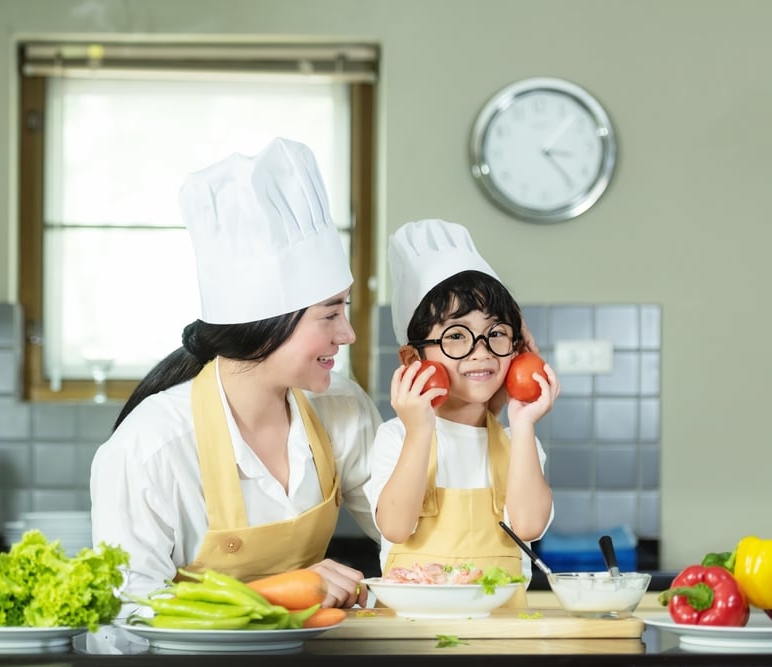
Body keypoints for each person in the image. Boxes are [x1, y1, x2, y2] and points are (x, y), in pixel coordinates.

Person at [90, 138, 381, 616]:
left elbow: (412, 533)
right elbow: (122, 619)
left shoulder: (342, 408)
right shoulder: (151, 447)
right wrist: (277, 592)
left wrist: (475, 404)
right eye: (330, 315)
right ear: (267, 322)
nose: (346, 333)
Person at [365, 218, 559, 607]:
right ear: (412, 357)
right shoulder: (397, 437)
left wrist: (522, 423)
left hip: (500, 636)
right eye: (456, 335)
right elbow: (395, 526)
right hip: (410, 635)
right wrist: (419, 431)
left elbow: (529, 526)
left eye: (497, 333)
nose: (481, 350)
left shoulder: (517, 443)